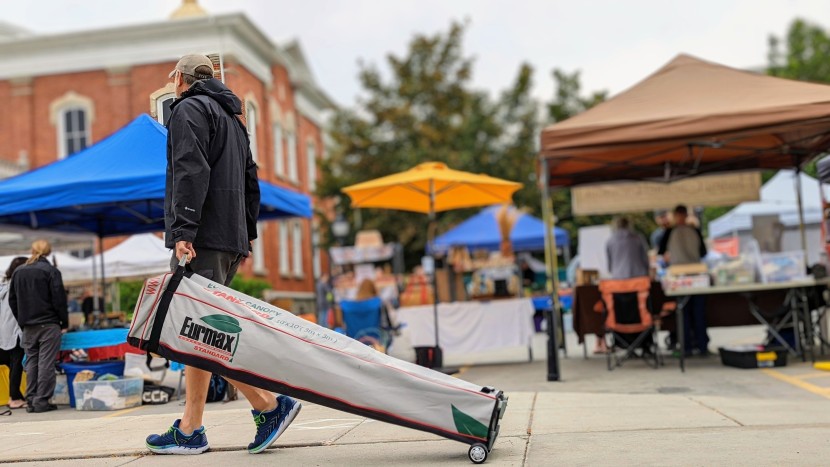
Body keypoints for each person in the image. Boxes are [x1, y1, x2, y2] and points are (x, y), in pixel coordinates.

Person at [146, 54, 301, 455]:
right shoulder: (234, 119)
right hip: (228, 238)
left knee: (199, 332)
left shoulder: (188, 110)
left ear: (179, 79)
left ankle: (267, 404)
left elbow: (189, 169)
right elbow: (252, 180)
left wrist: (182, 231)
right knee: (196, 332)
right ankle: (190, 426)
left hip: (203, 238)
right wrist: (245, 235)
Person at [8, 240, 68, 413]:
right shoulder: (51, 271)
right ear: (48, 252)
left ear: (31, 250)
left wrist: (22, 320)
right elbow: (59, 300)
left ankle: (32, 399)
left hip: (28, 325)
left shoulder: (18, 272)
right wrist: (64, 322)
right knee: (46, 363)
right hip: (49, 324)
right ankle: (42, 401)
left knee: (32, 362)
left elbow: (13, 300)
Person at [658, 204, 710, 357]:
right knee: (698, 312)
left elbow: (661, 251)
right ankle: (702, 345)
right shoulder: (694, 230)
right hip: (696, 275)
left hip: (679, 277)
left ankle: (686, 346)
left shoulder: (669, 232)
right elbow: (703, 252)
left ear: (675, 216)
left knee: (683, 312)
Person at [0, 257, 28, 410]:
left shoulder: (3, 287)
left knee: (11, 363)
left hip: (3, 331)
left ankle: (16, 394)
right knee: (16, 363)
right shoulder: (17, 287)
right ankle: (14, 398)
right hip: (15, 330)